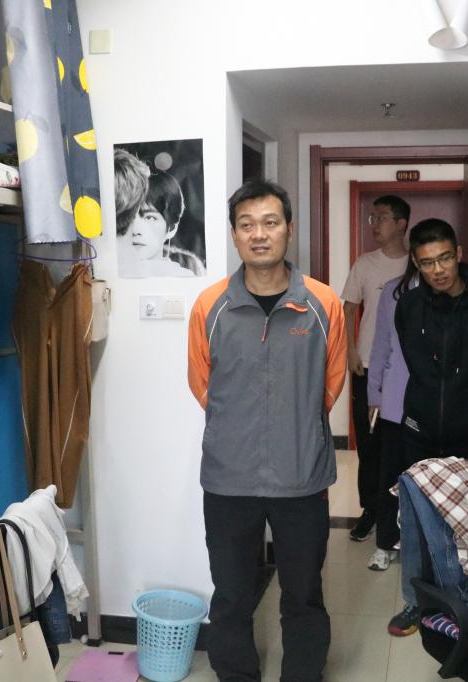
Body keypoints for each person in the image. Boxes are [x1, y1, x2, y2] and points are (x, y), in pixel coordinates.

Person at [188, 179, 346, 682]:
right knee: (232, 596)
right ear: (235, 235)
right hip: (228, 479)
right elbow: (202, 384)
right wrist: (240, 429)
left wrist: (296, 428)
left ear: (289, 230)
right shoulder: (209, 306)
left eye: (270, 223)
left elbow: (331, 383)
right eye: (247, 224)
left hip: (301, 477)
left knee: (303, 595)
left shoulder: (323, 303)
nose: (259, 234)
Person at [388, 217, 468, 636]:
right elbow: (414, 361)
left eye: (444, 258)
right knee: (416, 521)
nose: (438, 270)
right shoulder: (409, 306)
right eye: (427, 263)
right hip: (420, 432)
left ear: (459, 254)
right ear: (416, 263)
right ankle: (417, 601)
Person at [340, 196, 410, 556]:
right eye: (372, 217)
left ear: (401, 224)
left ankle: (401, 514)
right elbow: (348, 309)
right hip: (367, 367)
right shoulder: (365, 264)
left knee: (402, 445)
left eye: (381, 217)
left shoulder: (416, 263)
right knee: (369, 446)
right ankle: (370, 509)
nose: (374, 224)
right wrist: (351, 351)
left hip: (407, 372)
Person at [365, 255, 418, 573]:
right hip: (396, 399)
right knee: (390, 476)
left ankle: (420, 547)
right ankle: (385, 544)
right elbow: (381, 344)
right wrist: (375, 393)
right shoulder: (394, 291)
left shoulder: (449, 290)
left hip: (433, 406)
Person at [116, 168, 197, 277]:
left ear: (171, 228)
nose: (135, 230)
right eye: (128, 216)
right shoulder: (109, 272)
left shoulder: (182, 278)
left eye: (150, 218)